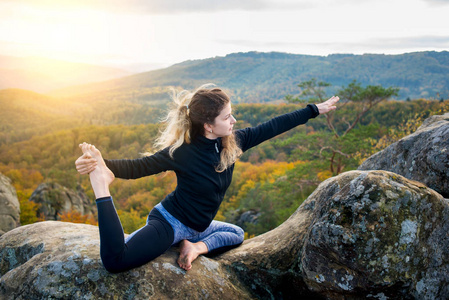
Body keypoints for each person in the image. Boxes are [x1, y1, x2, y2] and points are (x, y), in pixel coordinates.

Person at [75, 85, 339, 273]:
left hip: (199, 228)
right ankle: (102, 188)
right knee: (116, 261)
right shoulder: (183, 153)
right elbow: (138, 167)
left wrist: (314, 109)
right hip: (171, 223)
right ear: (208, 126)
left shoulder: (233, 143)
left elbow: (273, 126)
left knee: (236, 233)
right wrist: (101, 164)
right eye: (227, 117)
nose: (234, 120)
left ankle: (194, 248)